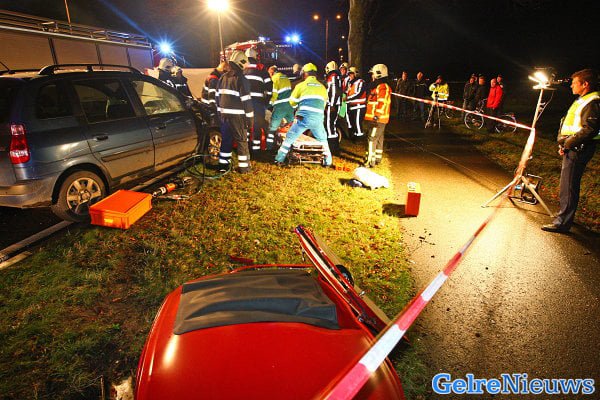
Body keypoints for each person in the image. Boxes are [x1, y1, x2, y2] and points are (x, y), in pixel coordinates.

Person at [542, 68, 599, 233]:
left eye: (575, 83)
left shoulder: (592, 101)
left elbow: (590, 129)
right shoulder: (582, 99)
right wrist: (563, 143)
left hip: (579, 148)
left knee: (568, 185)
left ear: (585, 84)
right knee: (567, 184)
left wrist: (568, 143)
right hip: (573, 146)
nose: (571, 86)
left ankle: (562, 222)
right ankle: (565, 216)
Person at [274, 63, 332, 166]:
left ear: (304, 74)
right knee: (323, 139)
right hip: (318, 119)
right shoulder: (323, 87)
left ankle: (279, 159)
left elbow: (292, 102)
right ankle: (328, 162)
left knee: (289, 138)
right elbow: (324, 104)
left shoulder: (301, 86)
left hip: (303, 118)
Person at [215, 50, 254, 173]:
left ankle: (223, 166)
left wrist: (219, 113)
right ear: (240, 62)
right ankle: (244, 168)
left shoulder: (222, 77)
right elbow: (246, 101)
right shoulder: (241, 79)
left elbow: (217, 97)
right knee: (242, 141)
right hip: (238, 117)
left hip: (224, 116)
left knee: (226, 140)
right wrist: (250, 119)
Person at [244, 48, 272, 153]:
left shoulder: (242, 71)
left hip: (245, 103)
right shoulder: (262, 71)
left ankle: (246, 147)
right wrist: (266, 101)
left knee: (245, 126)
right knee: (257, 126)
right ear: (256, 58)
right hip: (258, 103)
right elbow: (270, 88)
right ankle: (256, 150)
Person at [364, 63, 392, 167]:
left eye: (373, 74)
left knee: (372, 138)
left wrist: (376, 116)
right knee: (379, 138)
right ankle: (377, 159)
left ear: (378, 74)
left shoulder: (382, 86)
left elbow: (382, 102)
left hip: (377, 119)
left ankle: (370, 161)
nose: (372, 76)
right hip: (378, 119)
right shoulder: (379, 86)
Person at [266, 65, 294, 150]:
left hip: (280, 107)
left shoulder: (274, 79)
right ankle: (291, 146)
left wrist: (268, 105)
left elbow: (274, 95)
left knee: (272, 129)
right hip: (289, 106)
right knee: (291, 127)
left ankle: (269, 148)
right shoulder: (285, 77)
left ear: (272, 72)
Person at [324, 60, 343, 154]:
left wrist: (331, 104)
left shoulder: (333, 77)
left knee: (330, 125)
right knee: (331, 125)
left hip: (332, 105)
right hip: (334, 104)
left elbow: (335, 91)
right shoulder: (336, 76)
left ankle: (333, 148)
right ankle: (334, 147)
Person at [345, 66, 367, 138]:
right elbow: (347, 92)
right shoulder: (350, 83)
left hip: (359, 106)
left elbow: (359, 93)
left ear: (355, 74)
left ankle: (360, 137)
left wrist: (347, 98)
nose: (349, 76)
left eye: (351, 74)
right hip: (352, 106)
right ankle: (355, 136)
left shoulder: (361, 82)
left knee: (357, 122)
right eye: (349, 74)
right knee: (353, 122)